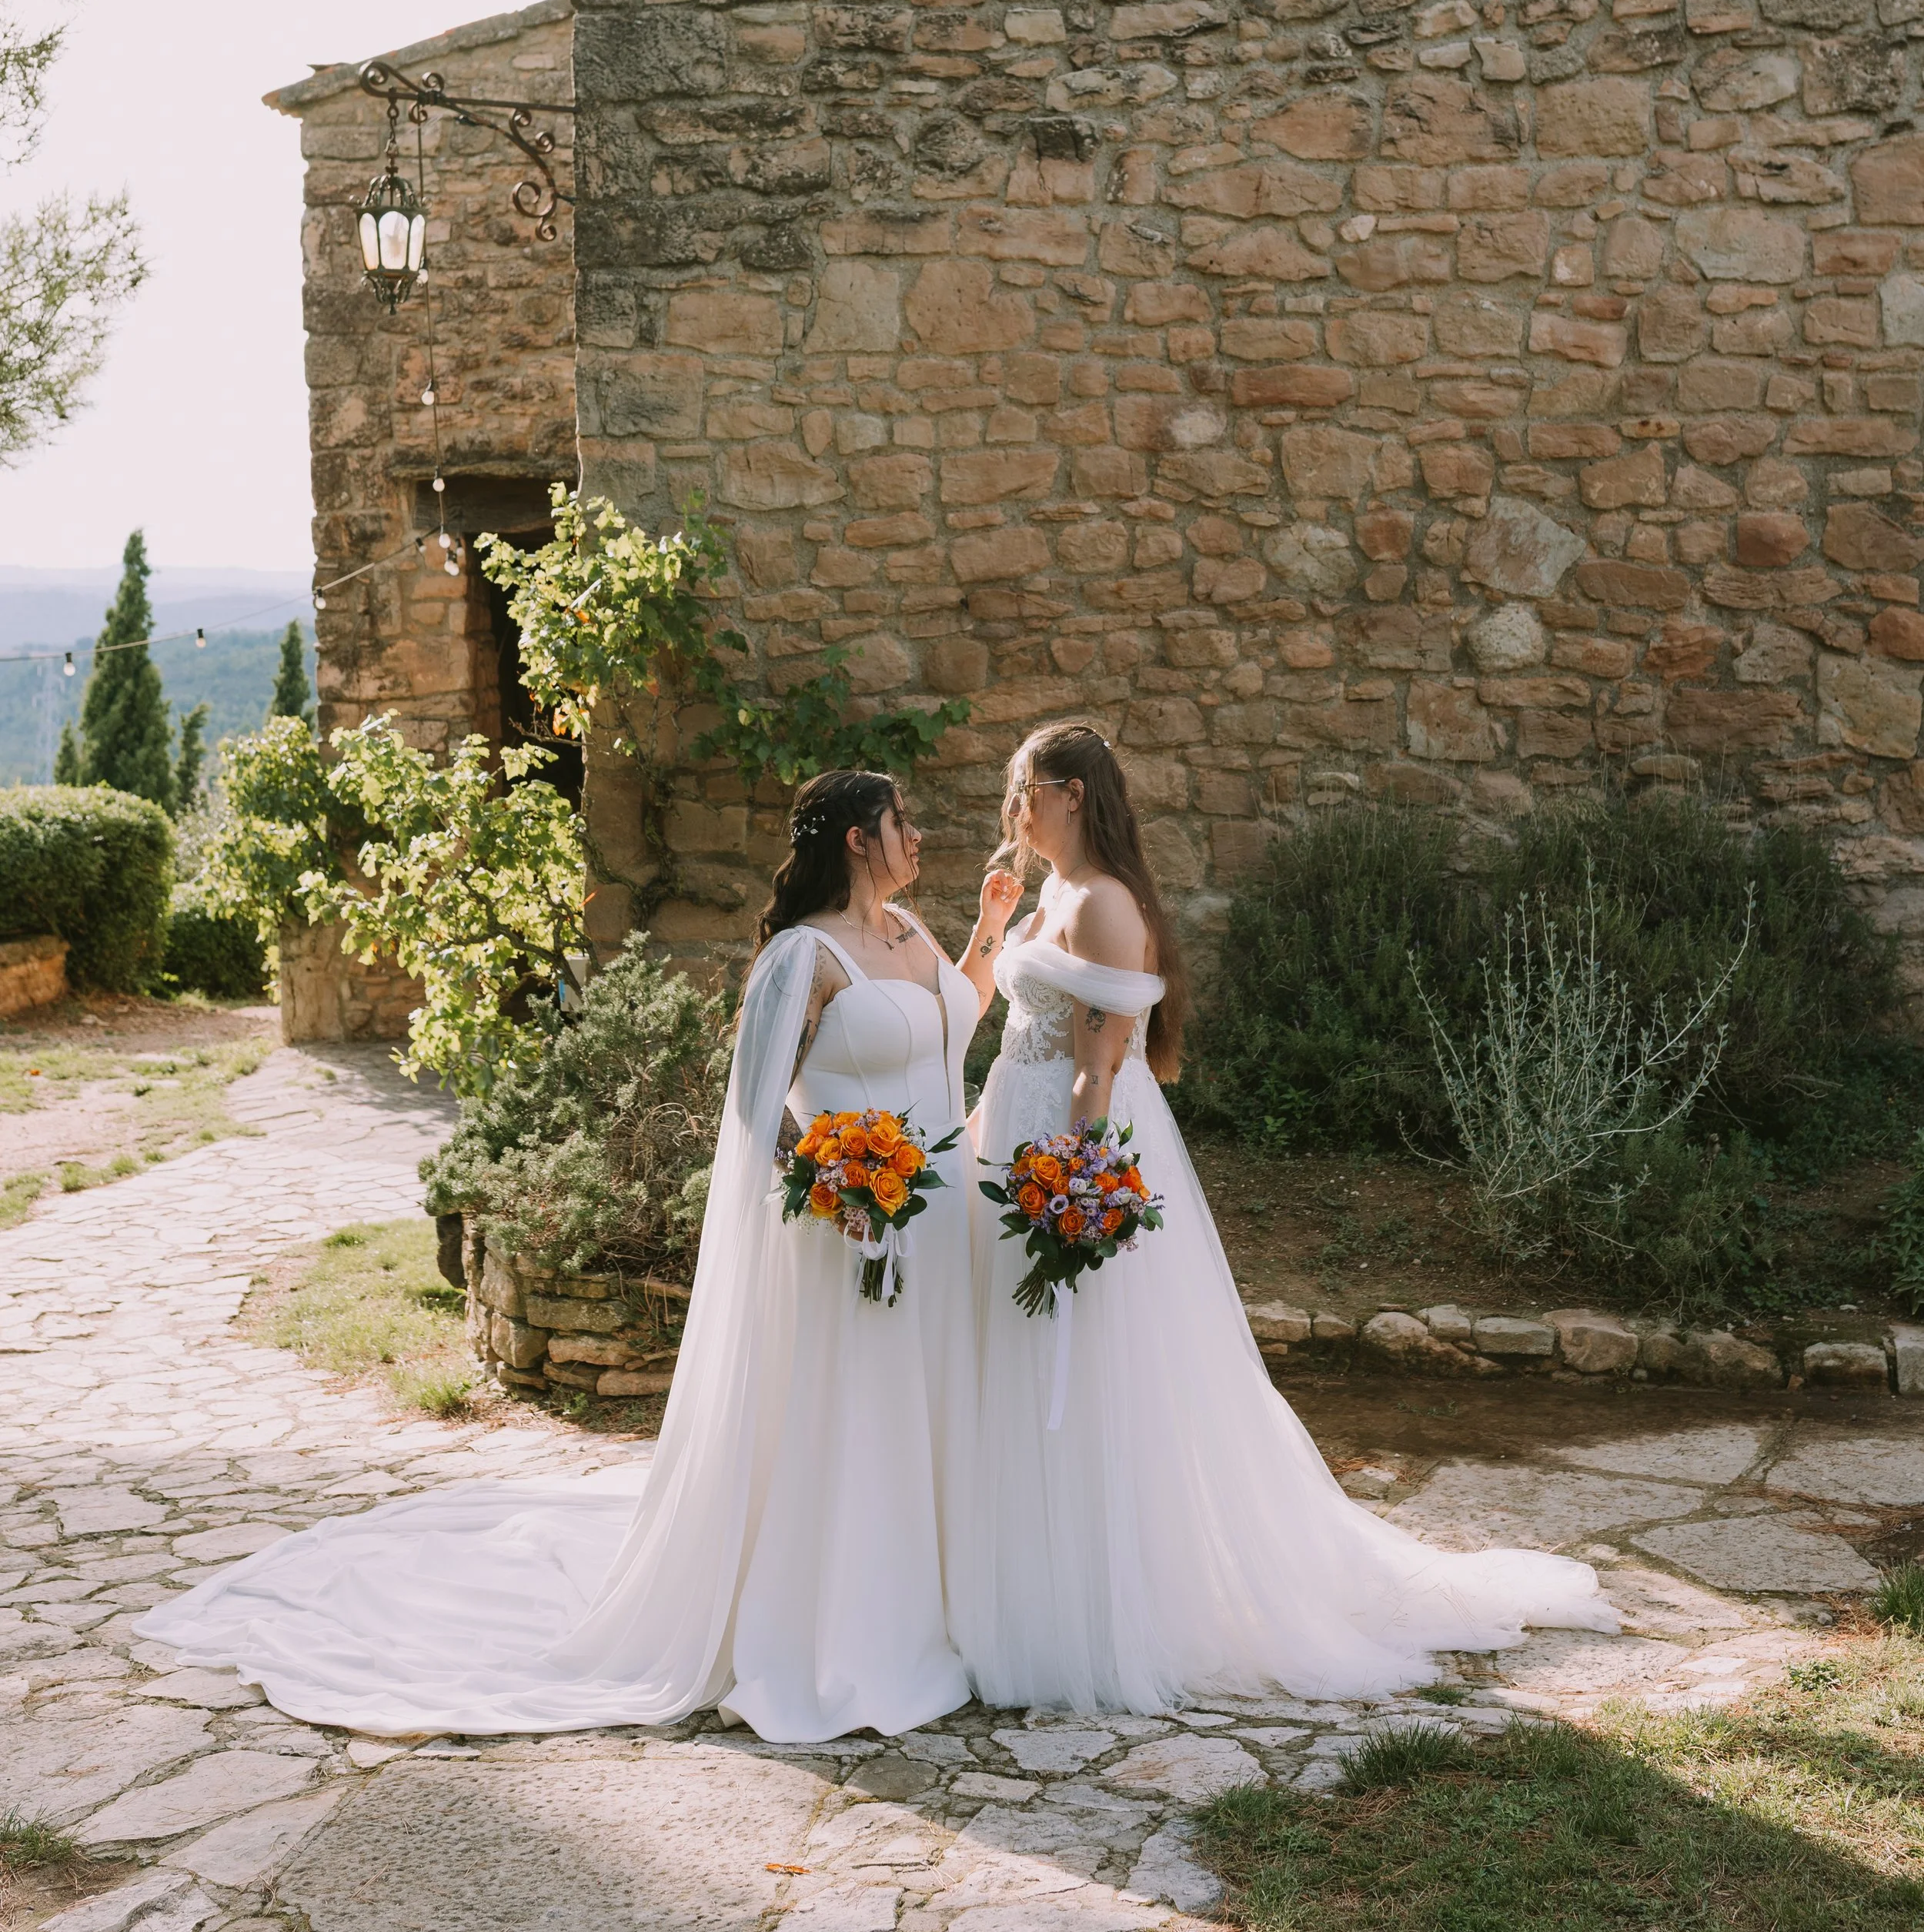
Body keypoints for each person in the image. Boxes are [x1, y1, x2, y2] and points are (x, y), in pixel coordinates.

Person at [149, 768, 999, 1743]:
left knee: (932, 1406)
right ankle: (851, 1623)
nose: (919, 836)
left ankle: (950, 1604)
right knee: (858, 1420)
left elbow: (958, 1023)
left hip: (936, 1221)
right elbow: (754, 1106)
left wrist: (988, 928)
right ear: (856, 838)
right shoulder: (803, 960)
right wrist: (827, 1183)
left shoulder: (913, 934)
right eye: (902, 823)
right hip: (848, 1230)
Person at [961, 720, 1615, 1713]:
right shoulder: (1052, 891)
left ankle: (1104, 1593)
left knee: (1091, 1351)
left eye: (1026, 793)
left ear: (1072, 797)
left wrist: (1079, 1188)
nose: (1015, 812)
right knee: (1008, 1346)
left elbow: (1098, 1066)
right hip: (1014, 1125)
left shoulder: (1104, 904)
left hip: (1070, 1145)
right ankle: (1006, 1565)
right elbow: (1022, 1032)